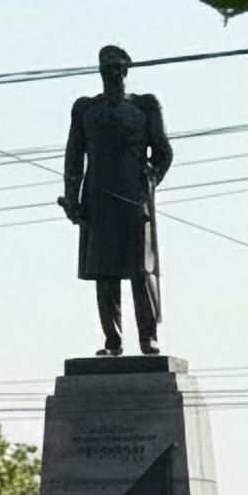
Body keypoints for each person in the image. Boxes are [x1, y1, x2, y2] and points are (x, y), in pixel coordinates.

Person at [62, 44, 173, 356]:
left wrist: (151, 178)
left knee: (141, 269)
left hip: (134, 198)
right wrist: (72, 198)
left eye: (116, 68)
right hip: (97, 199)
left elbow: (163, 152)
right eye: (105, 68)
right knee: (105, 272)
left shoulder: (144, 107)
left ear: (126, 71)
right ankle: (113, 340)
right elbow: (74, 157)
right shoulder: (86, 110)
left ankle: (148, 337)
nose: (111, 74)